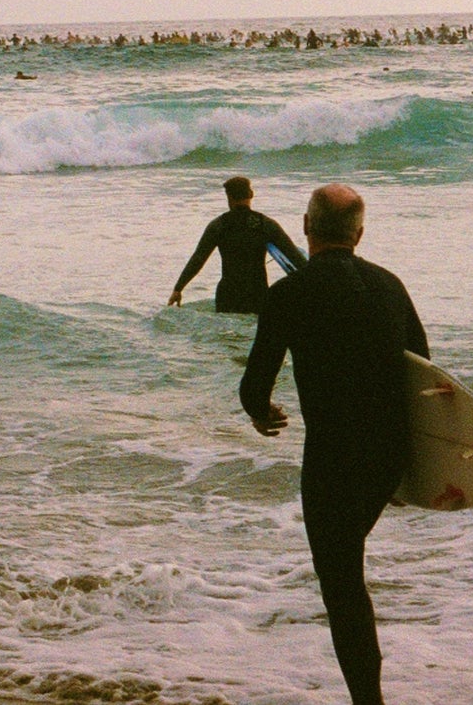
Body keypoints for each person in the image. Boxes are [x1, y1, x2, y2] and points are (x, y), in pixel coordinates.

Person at [240, 184, 426, 705]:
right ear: (359, 234)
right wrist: (413, 465)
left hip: (332, 460)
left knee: (342, 583)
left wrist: (262, 413)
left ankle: (369, 700)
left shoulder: (288, 294)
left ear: (305, 227)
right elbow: (424, 373)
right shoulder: (391, 286)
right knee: (350, 568)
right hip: (389, 456)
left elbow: (254, 385)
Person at [169, 177, 306, 313]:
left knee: (226, 333)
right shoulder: (266, 224)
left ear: (229, 197)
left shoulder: (218, 225)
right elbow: (294, 257)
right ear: (251, 195)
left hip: (228, 295)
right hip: (257, 294)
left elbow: (198, 259)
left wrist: (178, 289)